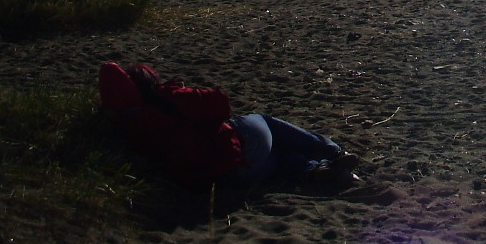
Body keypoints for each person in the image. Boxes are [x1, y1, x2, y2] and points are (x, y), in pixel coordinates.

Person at [98, 62, 358, 189]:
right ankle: (332, 152)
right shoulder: (165, 100)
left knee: (278, 157)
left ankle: (315, 172)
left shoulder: (126, 126)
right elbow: (221, 105)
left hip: (226, 178)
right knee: (265, 123)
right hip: (233, 149)